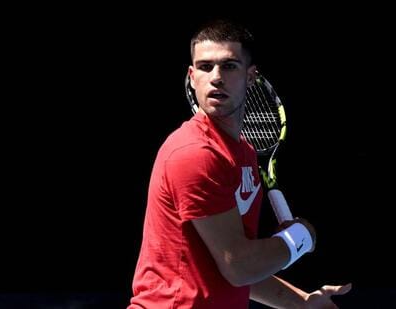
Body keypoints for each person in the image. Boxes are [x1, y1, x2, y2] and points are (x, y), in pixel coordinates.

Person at [128, 19, 351, 308]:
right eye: (205, 67)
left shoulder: (244, 153)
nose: (216, 77)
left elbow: (235, 268)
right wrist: (301, 236)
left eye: (229, 66)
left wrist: (302, 303)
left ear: (251, 76)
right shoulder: (194, 153)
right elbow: (239, 266)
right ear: (192, 76)